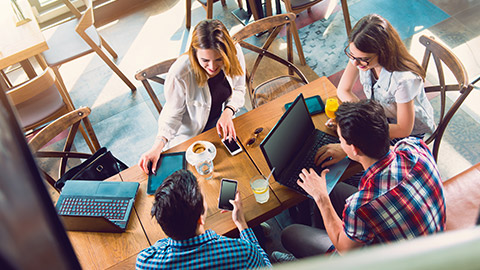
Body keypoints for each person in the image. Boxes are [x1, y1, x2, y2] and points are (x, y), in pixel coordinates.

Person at [273, 100, 445, 261]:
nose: (340, 143)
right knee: (335, 188)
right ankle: (327, 234)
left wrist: (320, 196)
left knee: (290, 233)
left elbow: (344, 250)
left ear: (354, 148)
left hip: (398, 262)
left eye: (340, 140)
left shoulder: (361, 205)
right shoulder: (414, 147)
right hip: (431, 240)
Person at [138, 19, 246, 174]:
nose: (212, 67)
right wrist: (157, 146)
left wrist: (229, 111)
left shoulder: (234, 52)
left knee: (237, 167)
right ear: (195, 54)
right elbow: (172, 115)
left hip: (219, 123)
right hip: (190, 136)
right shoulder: (180, 73)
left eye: (219, 59)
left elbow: (239, 88)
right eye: (205, 60)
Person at [136, 170, 271, 269]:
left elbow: (161, 245)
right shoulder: (244, 252)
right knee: (258, 231)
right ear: (200, 219)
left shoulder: (145, 262)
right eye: (204, 199)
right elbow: (266, 267)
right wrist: (241, 223)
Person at [333, 14, 435, 140]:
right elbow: (343, 90)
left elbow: (403, 130)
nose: (354, 63)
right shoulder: (359, 56)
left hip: (408, 133)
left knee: (353, 150)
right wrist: (356, 118)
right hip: (381, 118)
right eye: (351, 55)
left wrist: (359, 124)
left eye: (363, 59)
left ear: (383, 52)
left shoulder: (404, 81)